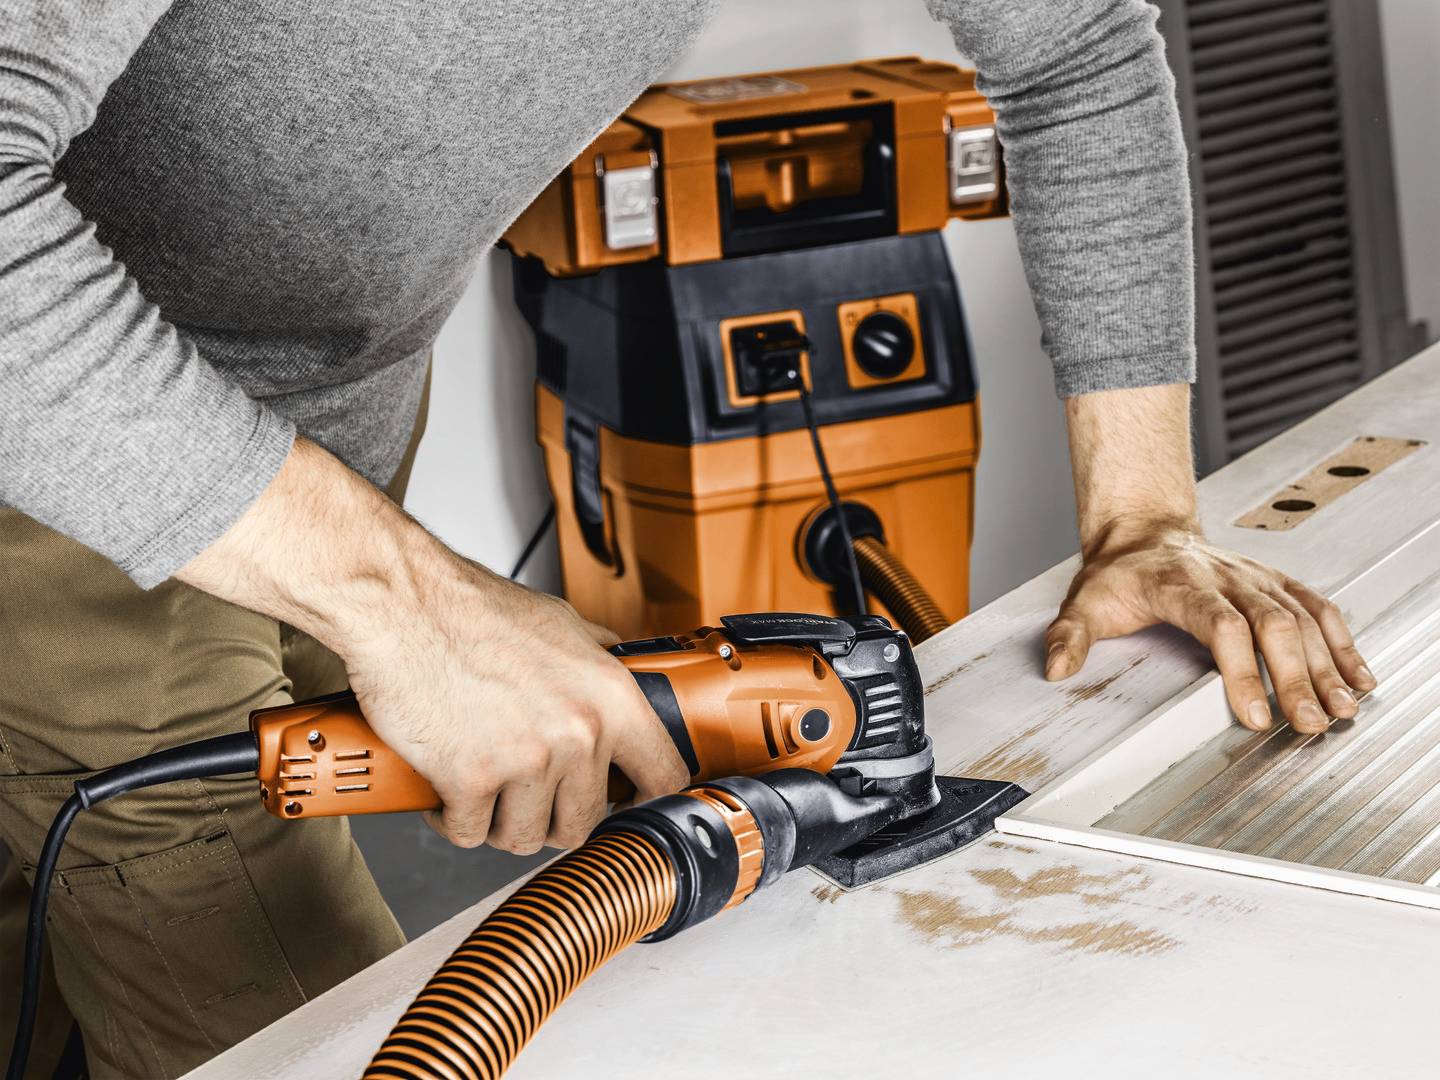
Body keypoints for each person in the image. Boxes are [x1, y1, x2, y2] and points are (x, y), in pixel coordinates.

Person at [0, 0, 1374, 1075]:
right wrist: (414, 610)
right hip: (70, 462)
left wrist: (1143, 515)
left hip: (327, 433)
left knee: (56, 916)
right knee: (294, 1015)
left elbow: (1073, 48)